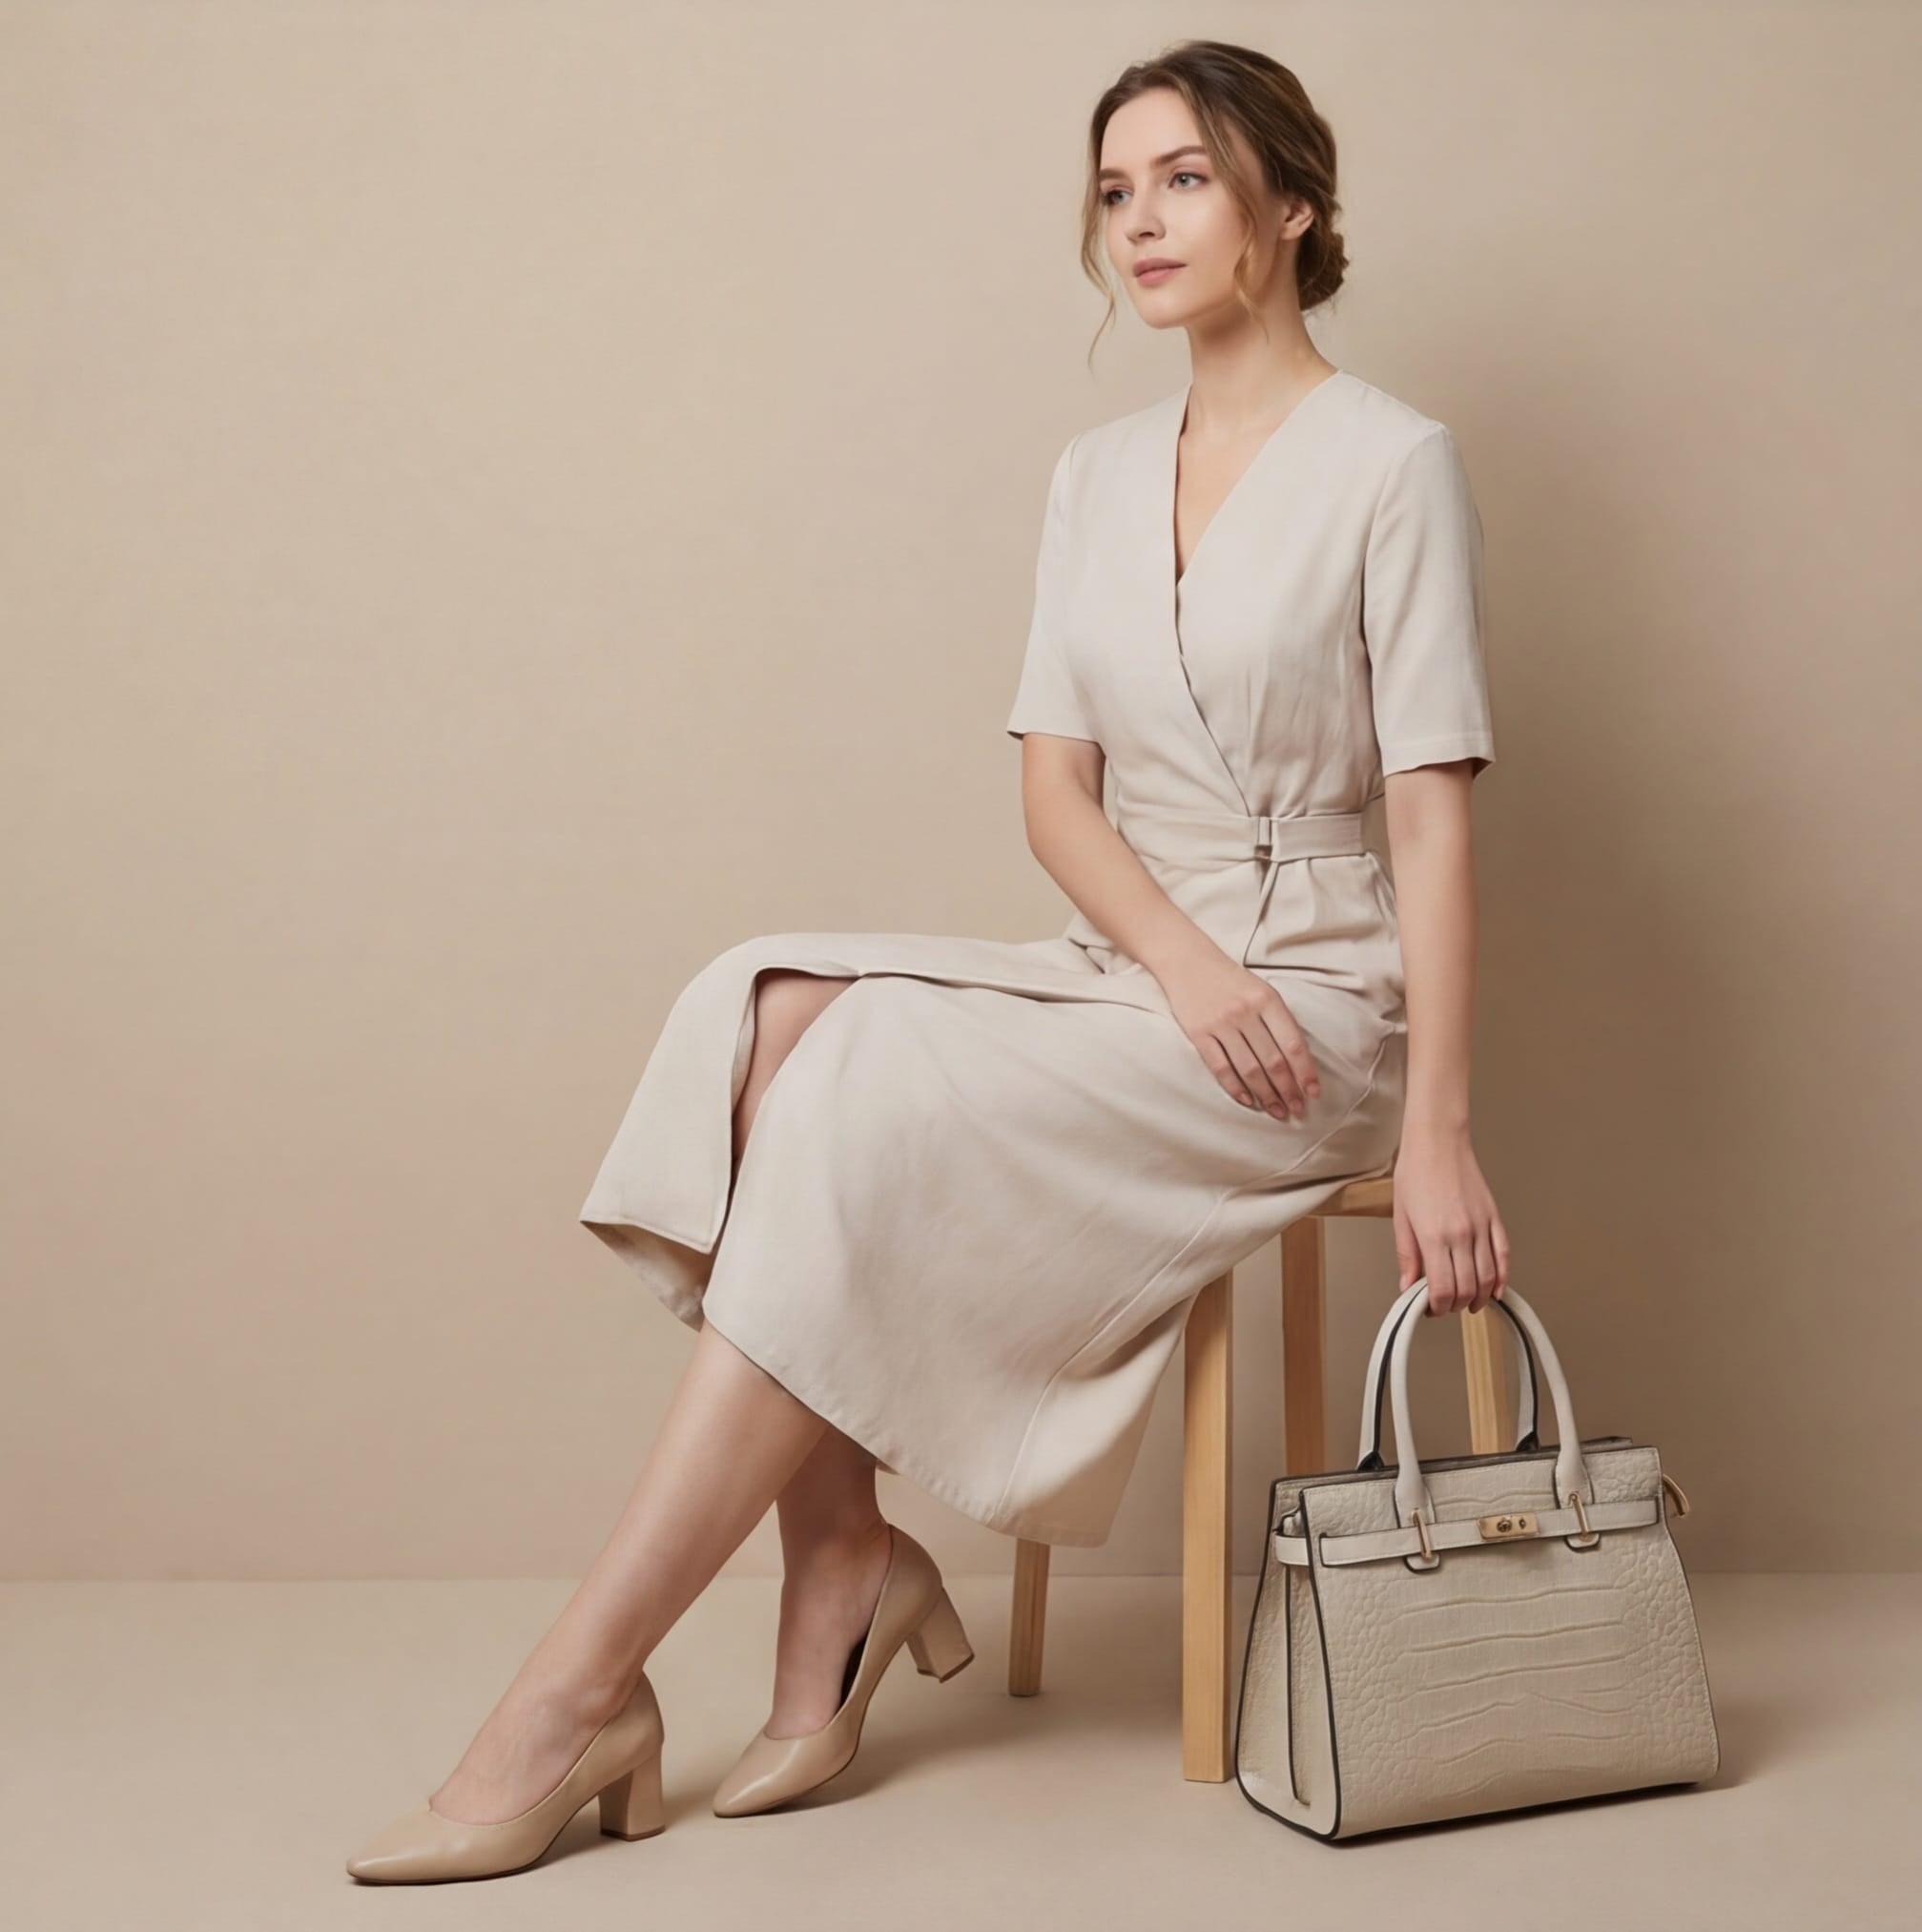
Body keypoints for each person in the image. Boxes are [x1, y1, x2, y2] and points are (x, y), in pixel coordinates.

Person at [344, 37, 1511, 1884]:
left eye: (1184, 179)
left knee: (858, 1068)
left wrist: (1435, 1122)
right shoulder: (1095, 474)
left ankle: (579, 1684)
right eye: (1114, 188)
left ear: (1292, 204)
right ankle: (845, 1556)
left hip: (1317, 1011)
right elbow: (1058, 800)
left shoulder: (1396, 466)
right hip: (1146, 973)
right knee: (769, 1003)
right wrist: (1180, 964)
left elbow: (1437, 817)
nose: (1139, 220)